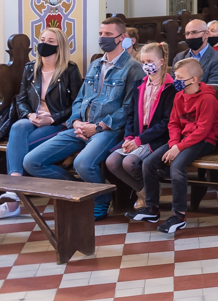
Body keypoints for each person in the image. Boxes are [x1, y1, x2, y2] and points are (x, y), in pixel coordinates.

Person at [24, 18, 142, 219]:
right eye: (101, 34)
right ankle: (85, 190)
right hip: (80, 127)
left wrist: (98, 127)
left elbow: (129, 107)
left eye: (108, 34)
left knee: (83, 163)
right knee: (32, 161)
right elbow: (80, 99)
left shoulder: (133, 67)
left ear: (121, 37)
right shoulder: (95, 64)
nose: (102, 38)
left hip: (109, 130)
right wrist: (76, 122)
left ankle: (100, 200)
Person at [128, 58, 218, 234]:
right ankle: (152, 209)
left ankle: (179, 216)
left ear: (194, 79)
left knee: (177, 167)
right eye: (175, 76)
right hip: (181, 141)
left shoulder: (208, 99)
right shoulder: (179, 96)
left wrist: (178, 148)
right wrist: (173, 144)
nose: (176, 80)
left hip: (204, 141)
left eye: (180, 77)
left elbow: (203, 130)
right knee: (148, 163)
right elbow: (174, 123)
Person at [0, 27, 83, 218]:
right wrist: (29, 115)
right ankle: (14, 189)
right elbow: (21, 99)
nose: (44, 44)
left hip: (57, 123)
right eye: (42, 39)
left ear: (60, 46)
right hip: (33, 120)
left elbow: (77, 103)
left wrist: (52, 118)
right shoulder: (31, 68)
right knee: (18, 126)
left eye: (50, 41)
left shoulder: (69, 70)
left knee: (17, 146)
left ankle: (12, 197)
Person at [103, 43, 174, 211]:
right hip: (136, 135)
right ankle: (144, 190)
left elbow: (166, 123)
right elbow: (131, 115)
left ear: (161, 62)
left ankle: (149, 194)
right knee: (111, 162)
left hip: (157, 138)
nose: (146, 65)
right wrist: (129, 137)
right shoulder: (138, 85)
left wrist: (139, 140)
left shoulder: (170, 88)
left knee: (129, 163)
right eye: (143, 62)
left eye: (150, 61)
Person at [173, 19, 218, 85]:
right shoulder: (179, 57)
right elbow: (173, 84)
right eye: (187, 33)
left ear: (206, 34)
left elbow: (214, 88)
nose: (190, 36)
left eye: (194, 32)